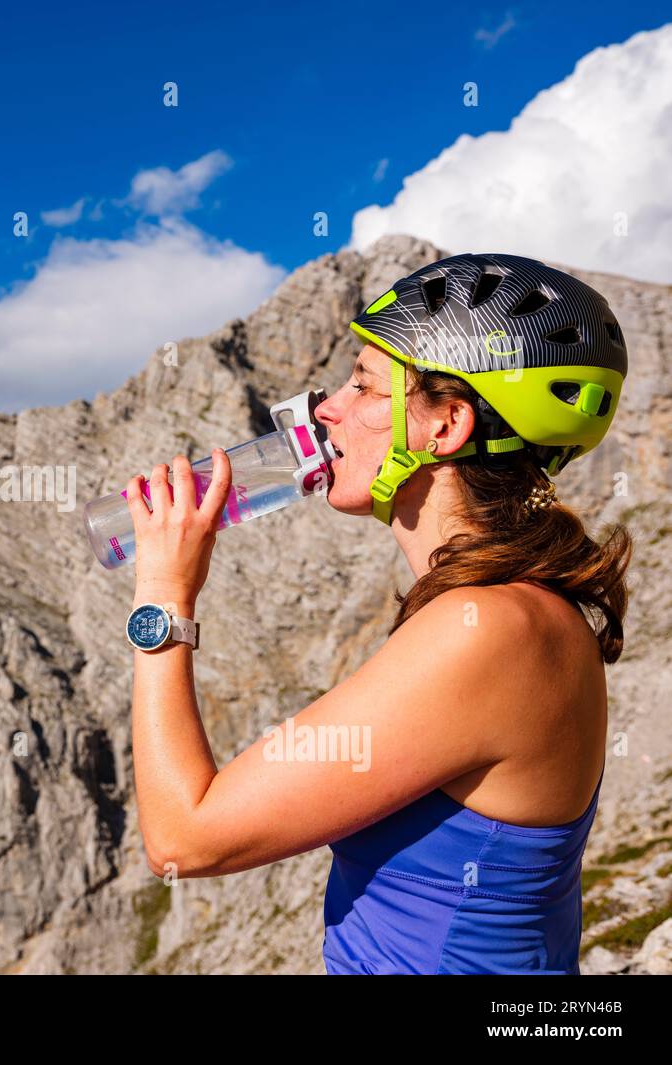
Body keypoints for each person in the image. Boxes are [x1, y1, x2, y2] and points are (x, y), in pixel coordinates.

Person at [124, 252, 632, 974]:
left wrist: (163, 601)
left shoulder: (492, 630)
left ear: (446, 424)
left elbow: (184, 836)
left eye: (362, 384)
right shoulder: (503, 613)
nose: (324, 407)